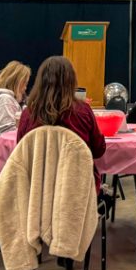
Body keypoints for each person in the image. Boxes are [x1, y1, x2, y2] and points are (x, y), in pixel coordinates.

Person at [17, 56, 105, 190]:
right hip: (77, 188)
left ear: (40, 81)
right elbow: (98, 150)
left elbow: (21, 150)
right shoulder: (83, 111)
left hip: (38, 188)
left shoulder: (28, 114)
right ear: (71, 80)